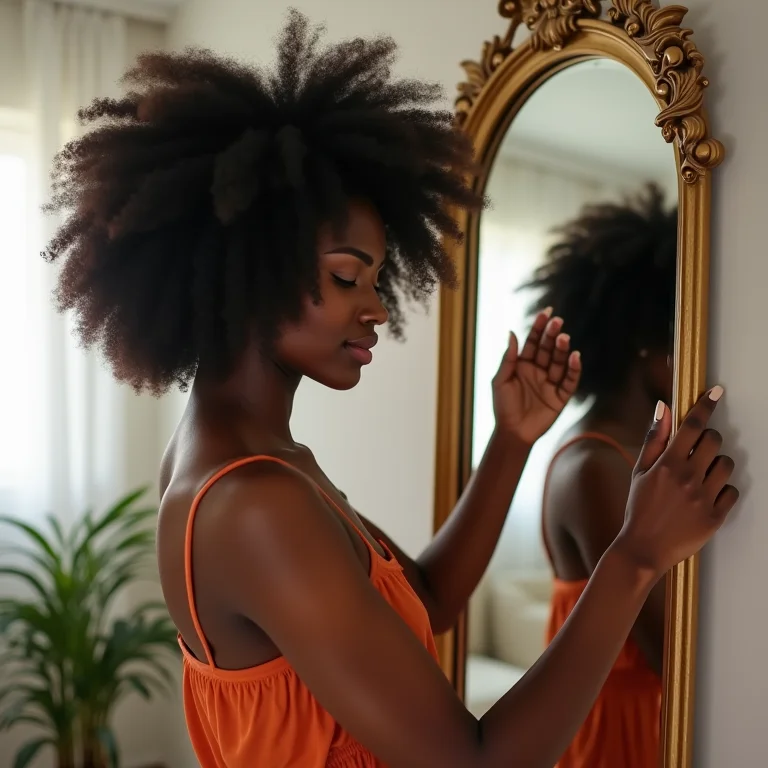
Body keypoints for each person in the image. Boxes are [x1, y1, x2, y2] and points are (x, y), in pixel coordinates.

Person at [42, 11, 738, 768]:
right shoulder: (253, 501)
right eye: (348, 277)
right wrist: (634, 554)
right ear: (250, 270)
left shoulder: (258, 459)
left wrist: (510, 442)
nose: (376, 307)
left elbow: (430, 599)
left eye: (377, 277)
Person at [523, 185, 678, 767]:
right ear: (646, 344)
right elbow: (668, 646)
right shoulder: (596, 467)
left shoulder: (626, 453)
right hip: (614, 735)